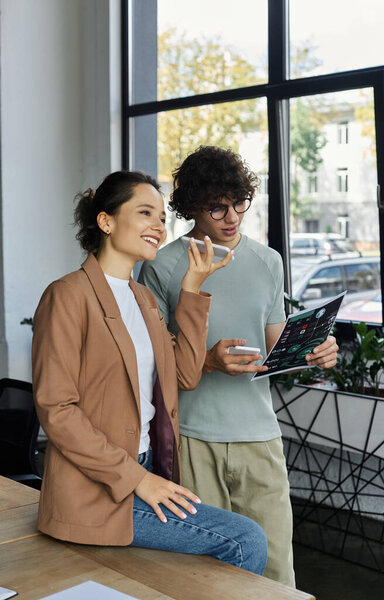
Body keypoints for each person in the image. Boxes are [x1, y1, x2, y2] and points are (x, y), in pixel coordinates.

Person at [31, 170, 268, 575]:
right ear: (106, 221)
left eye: (161, 217)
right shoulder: (67, 295)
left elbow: (185, 375)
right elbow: (57, 410)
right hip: (100, 490)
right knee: (244, 539)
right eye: (145, 213)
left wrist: (191, 289)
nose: (158, 226)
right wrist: (136, 479)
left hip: (151, 468)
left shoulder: (143, 299)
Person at [139, 147, 339, 587]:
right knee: (208, 573)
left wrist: (316, 351)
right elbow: (149, 360)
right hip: (193, 438)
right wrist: (207, 362)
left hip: (259, 437)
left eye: (239, 202)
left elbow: (275, 352)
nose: (232, 217)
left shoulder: (268, 261)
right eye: (217, 207)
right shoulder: (162, 265)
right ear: (190, 208)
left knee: (276, 570)